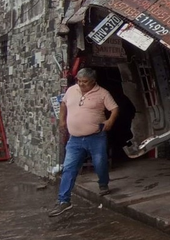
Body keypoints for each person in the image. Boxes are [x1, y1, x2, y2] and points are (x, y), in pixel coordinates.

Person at [49, 68, 119, 217]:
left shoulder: (103, 93)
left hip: (96, 136)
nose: (81, 84)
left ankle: (103, 183)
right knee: (69, 168)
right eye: (79, 81)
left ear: (93, 81)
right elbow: (63, 104)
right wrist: (62, 121)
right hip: (74, 139)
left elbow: (114, 108)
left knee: (100, 163)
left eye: (84, 82)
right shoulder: (71, 90)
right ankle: (63, 201)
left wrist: (110, 120)